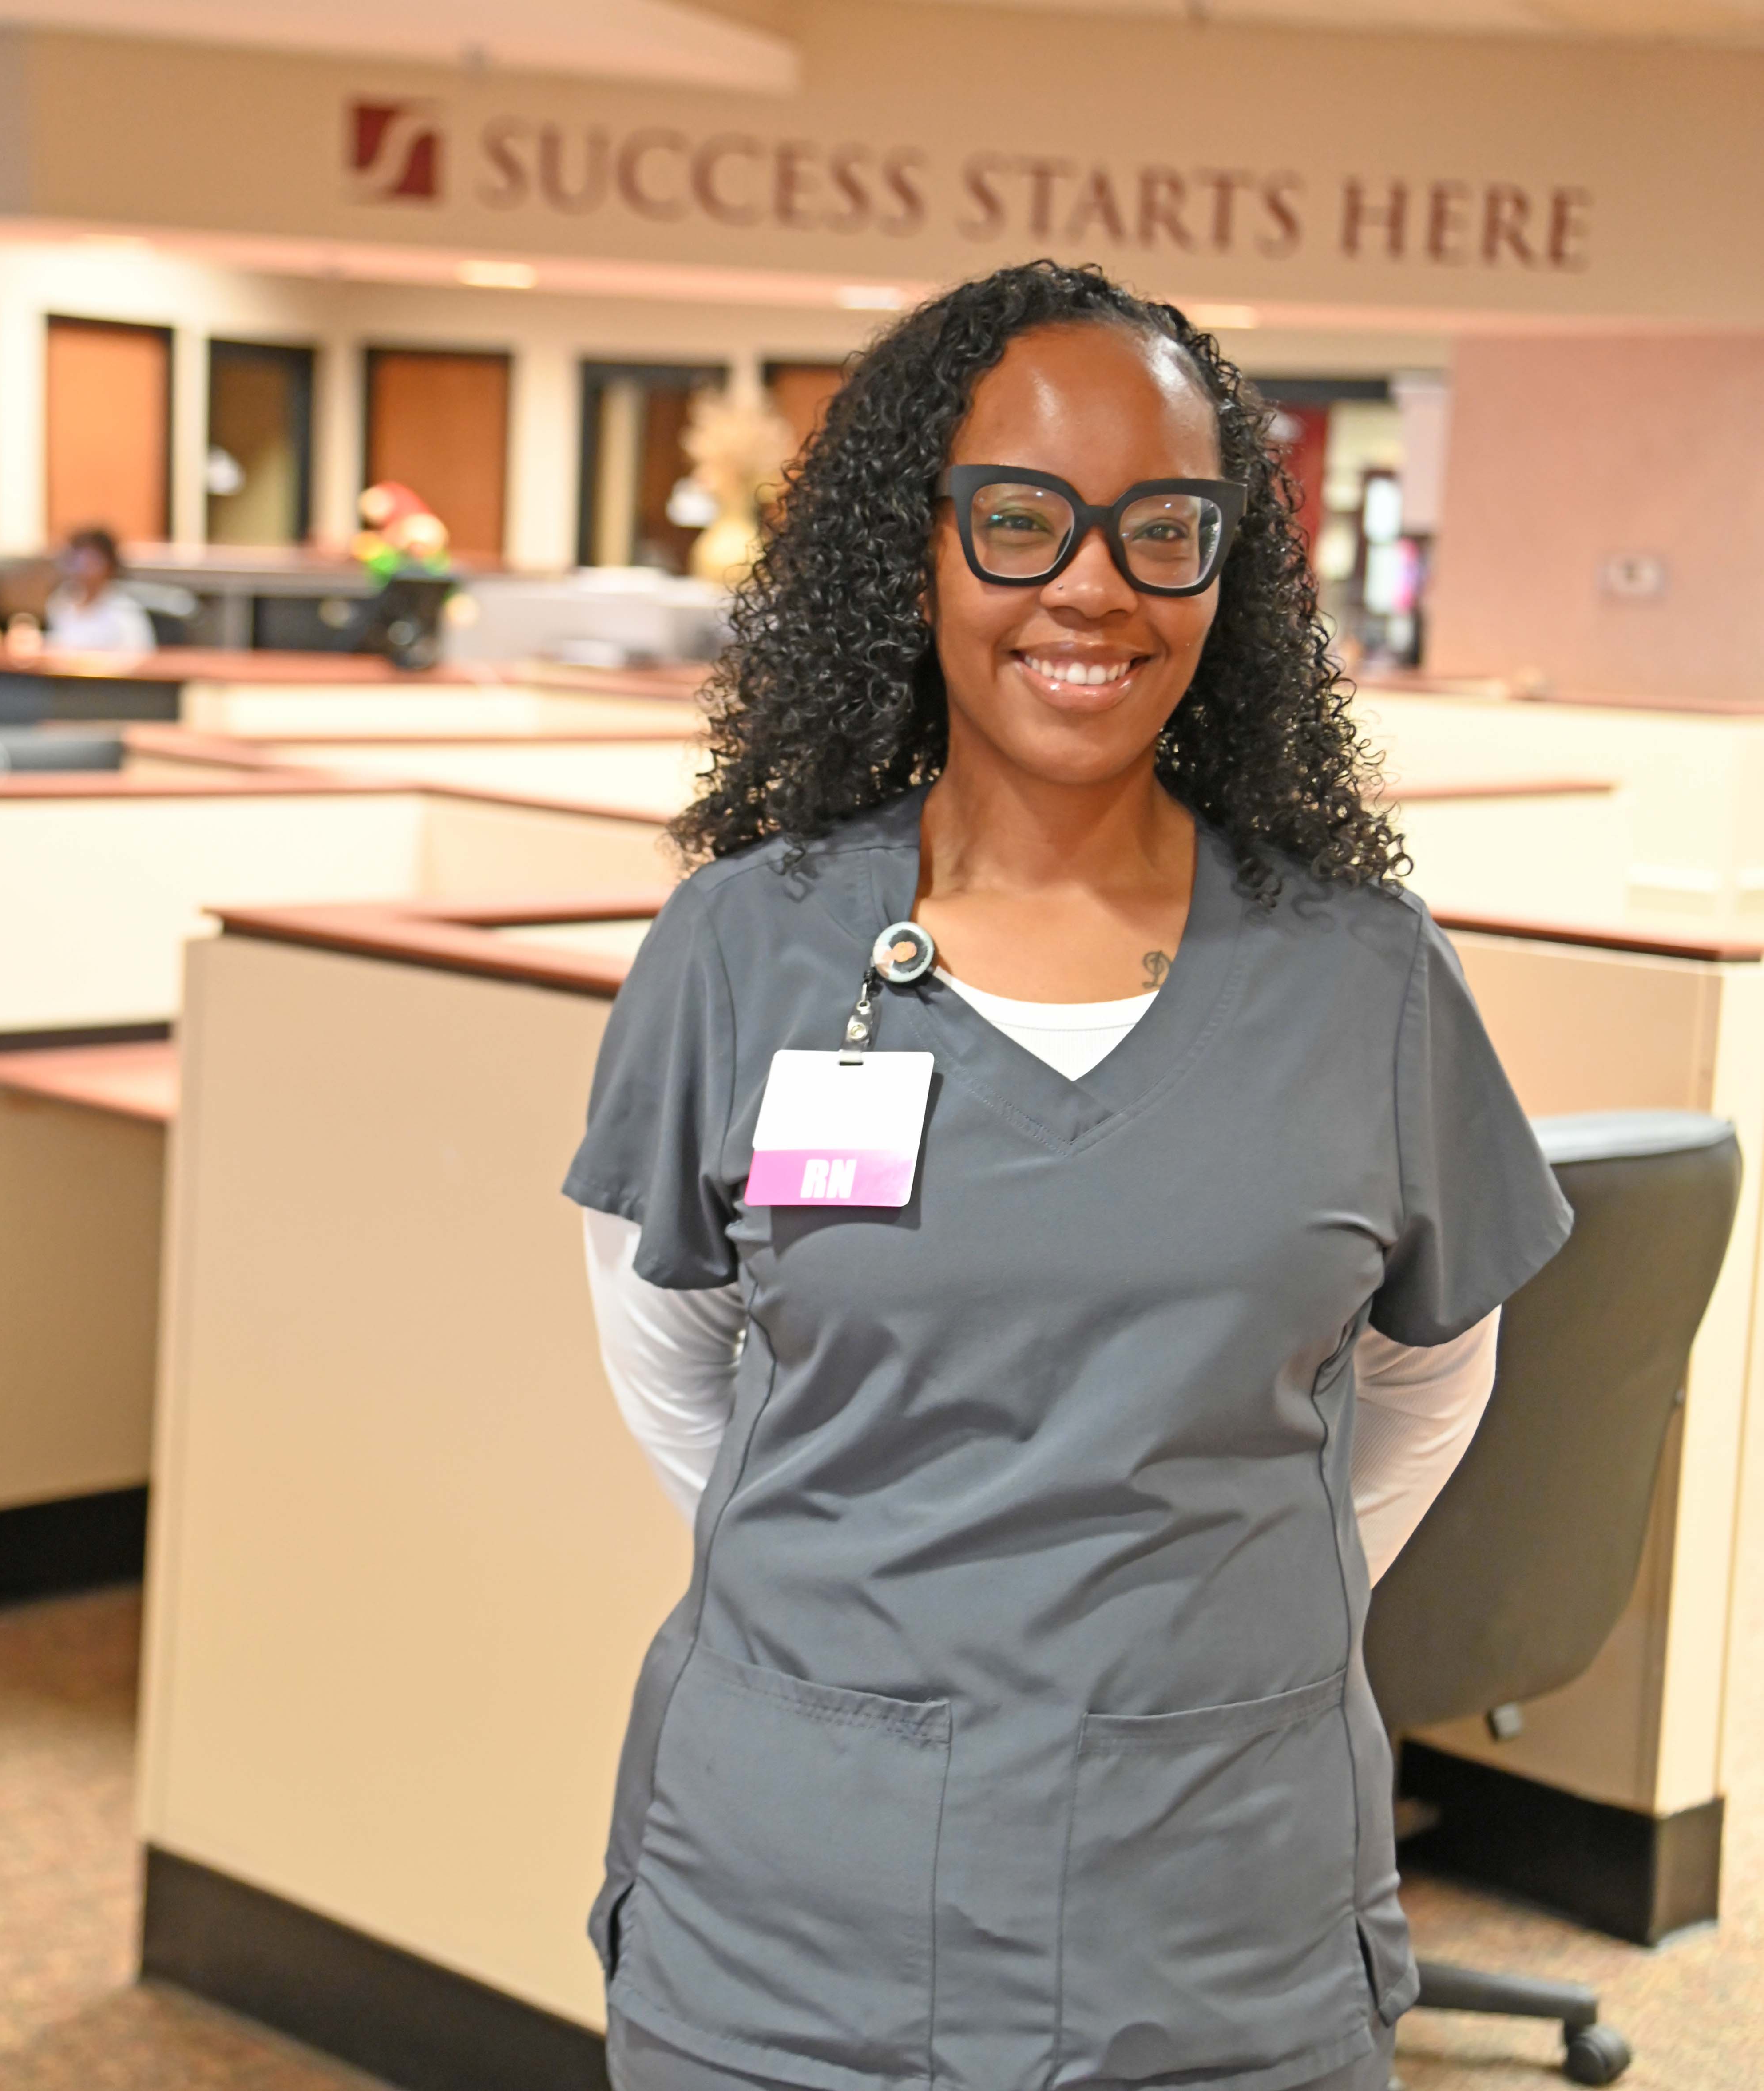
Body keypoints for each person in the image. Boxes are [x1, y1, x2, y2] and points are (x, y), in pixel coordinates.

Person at [566, 261, 1571, 2091]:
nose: (1090, 585)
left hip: (1220, 1920)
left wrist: (1237, 1609)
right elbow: (668, 1345)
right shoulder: (741, 949)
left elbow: (1436, 1368)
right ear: (915, 551)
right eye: (1019, 520)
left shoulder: (1365, 979)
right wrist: (866, 1599)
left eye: (1161, 527)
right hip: (792, 1921)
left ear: (1228, 572)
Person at [43, 527, 155, 654]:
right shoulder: (61, 603)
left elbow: (140, 660)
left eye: (90, 559)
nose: (81, 565)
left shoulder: (125, 612)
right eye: (76, 558)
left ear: (109, 564)